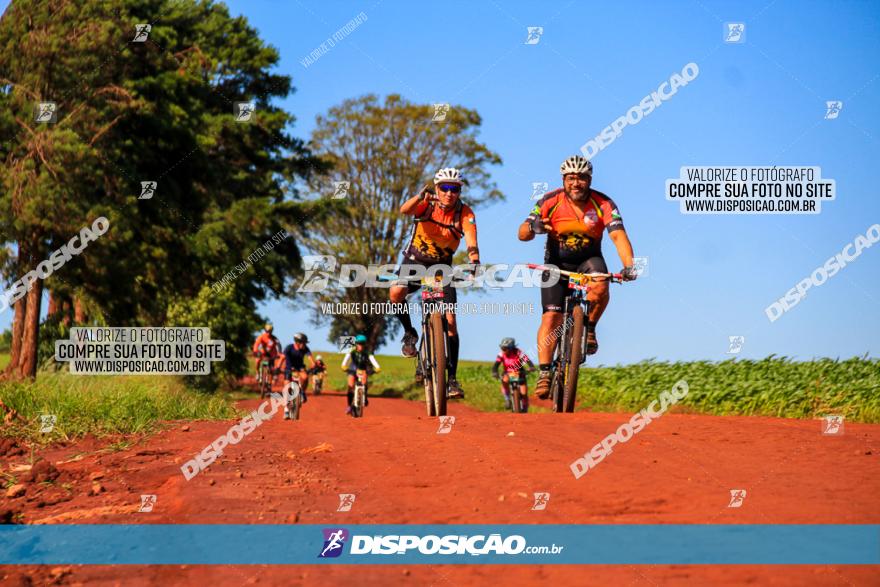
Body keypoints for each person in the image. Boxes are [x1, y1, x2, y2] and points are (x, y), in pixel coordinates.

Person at [518, 156, 638, 399]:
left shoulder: (603, 203)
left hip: (588, 261)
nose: (576, 183)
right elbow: (522, 232)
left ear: (589, 179)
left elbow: (618, 236)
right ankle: (544, 372)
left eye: (581, 178)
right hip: (557, 264)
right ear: (563, 180)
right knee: (552, 316)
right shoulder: (549, 201)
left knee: (601, 283)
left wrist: (629, 265)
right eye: (571, 178)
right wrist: (534, 228)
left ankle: (590, 328)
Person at [389, 167, 480, 399]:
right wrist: (420, 196)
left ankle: (451, 380)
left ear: (459, 191)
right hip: (414, 261)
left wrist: (474, 260)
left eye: (455, 189)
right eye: (445, 188)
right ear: (437, 188)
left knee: (450, 321)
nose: (449, 193)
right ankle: (410, 333)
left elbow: (471, 238)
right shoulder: (427, 205)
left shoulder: (464, 213)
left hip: (441, 268)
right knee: (396, 293)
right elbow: (404, 210)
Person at [341, 334, 381, 415]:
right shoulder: (351, 350)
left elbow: (373, 360)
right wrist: (344, 366)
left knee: (364, 381)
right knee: (350, 386)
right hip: (352, 369)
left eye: (362, 343)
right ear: (356, 344)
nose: (361, 345)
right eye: (359, 343)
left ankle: (365, 397)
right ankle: (349, 406)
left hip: (362, 370)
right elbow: (345, 360)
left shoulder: (367, 352)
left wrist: (377, 368)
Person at [492, 338, 536, 411]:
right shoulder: (501, 354)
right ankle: (507, 399)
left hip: (519, 373)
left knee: (524, 393)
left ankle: (525, 407)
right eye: (502, 348)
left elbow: (527, 361)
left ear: (511, 348)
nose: (503, 350)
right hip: (508, 373)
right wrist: (495, 372)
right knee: (505, 380)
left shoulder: (518, 352)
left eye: (505, 348)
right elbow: (495, 365)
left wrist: (531, 367)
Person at [283, 332, 315, 418]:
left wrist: (313, 365)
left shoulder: (305, 349)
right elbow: (282, 358)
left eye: (305, 343)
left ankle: (302, 392)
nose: (304, 344)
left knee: (305, 377)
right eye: (303, 342)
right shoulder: (289, 348)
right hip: (289, 369)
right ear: (297, 342)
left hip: (300, 368)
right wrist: (278, 367)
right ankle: (286, 410)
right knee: (287, 387)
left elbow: (310, 358)